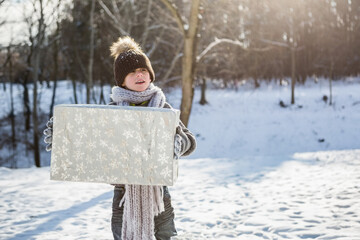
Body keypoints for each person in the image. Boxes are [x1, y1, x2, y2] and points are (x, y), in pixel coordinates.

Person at [43, 36, 196, 240]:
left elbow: (190, 141)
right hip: (124, 197)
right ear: (121, 80)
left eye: (142, 70)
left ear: (150, 75)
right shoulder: (112, 113)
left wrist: (177, 143)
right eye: (131, 72)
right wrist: (62, 136)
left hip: (159, 196)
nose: (138, 74)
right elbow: (91, 145)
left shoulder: (163, 109)